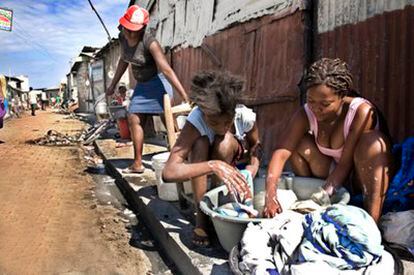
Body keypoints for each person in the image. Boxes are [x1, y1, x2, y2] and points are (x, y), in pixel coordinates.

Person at [263, 58, 394, 222]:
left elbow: (346, 163)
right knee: (298, 144)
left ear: (342, 96)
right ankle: (309, 197)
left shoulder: (361, 112)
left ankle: (371, 222)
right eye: (311, 101)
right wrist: (270, 195)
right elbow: (281, 152)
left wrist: (322, 196)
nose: (316, 108)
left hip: (360, 177)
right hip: (334, 176)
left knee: (373, 142)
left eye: (325, 104)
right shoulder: (305, 114)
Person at [162, 71, 262, 246]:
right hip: (204, 158)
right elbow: (169, 172)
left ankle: (217, 203)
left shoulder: (244, 116)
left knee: (224, 141)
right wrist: (213, 165)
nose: (222, 127)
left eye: (227, 122)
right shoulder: (196, 119)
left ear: (234, 112)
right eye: (214, 123)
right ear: (202, 112)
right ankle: (202, 217)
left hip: (231, 155)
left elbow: (256, 146)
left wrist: (253, 166)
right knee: (200, 143)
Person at [106, 5, 189, 174]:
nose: (130, 33)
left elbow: (166, 69)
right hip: (142, 86)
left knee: (169, 122)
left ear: (142, 28)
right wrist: (113, 84)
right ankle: (137, 164)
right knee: (133, 118)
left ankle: (182, 156)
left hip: (158, 83)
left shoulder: (150, 43)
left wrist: (184, 95)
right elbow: (124, 60)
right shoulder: (122, 37)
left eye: (134, 30)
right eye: (127, 29)